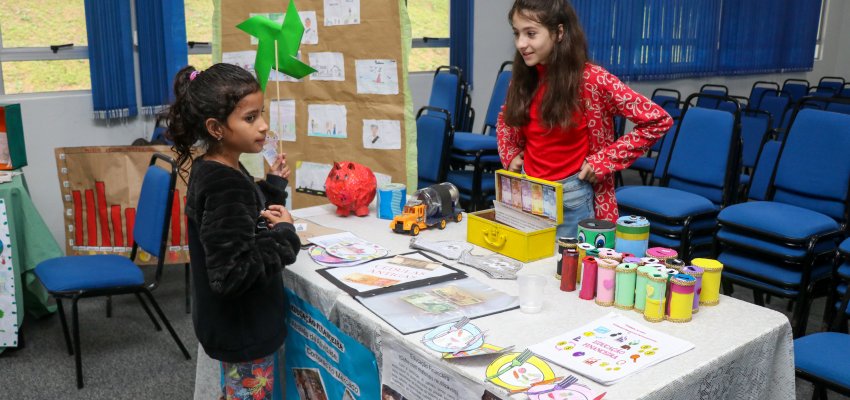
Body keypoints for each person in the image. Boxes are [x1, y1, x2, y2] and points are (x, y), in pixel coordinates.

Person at [166, 63, 300, 400]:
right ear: (216, 128)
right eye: (250, 118)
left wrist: (273, 188)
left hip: (232, 326)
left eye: (261, 114)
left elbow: (240, 222)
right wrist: (285, 237)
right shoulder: (225, 184)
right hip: (244, 331)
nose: (263, 125)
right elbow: (231, 274)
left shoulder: (215, 167)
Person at [498, 0, 673, 238]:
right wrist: (509, 153)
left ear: (559, 32)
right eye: (517, 33)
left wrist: (604, 160)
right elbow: (506, 119)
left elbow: (658, 120)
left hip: (572, 197)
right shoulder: (522, 79)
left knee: (567, 263)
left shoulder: (592, 79)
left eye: (531, 34)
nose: (521, 43)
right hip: (529, 192)